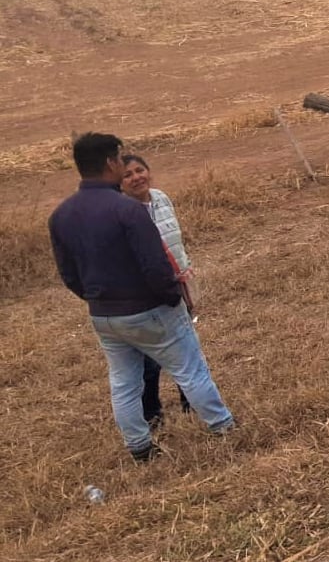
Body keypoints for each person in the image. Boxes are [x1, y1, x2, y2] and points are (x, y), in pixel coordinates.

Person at [49, 133, 234, 461]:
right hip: (149, 309)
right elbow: (155, 266)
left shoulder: (61, 216)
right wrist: (170, 297)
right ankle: (222, 428)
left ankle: (140, 447)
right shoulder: (128, 210)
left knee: (123, 383)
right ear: (110, 163)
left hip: (104, 316)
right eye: (121, 159)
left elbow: (69, 275)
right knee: (190, 369)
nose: (125, 165)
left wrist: (97, 299)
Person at [120, 154, 193, 428]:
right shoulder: (122, 212)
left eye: (140, 170)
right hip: (148, 294)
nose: (137, 177)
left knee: (187, 349)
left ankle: (191, 402)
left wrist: (185, 275)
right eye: (128, 175)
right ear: (120, 183)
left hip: (177, 284)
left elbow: (176, 241)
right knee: (150, 360)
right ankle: (151, 414)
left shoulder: (161, 198)